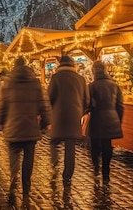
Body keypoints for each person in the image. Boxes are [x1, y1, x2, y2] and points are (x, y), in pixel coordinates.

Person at [0, 57, 50, 207]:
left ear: (13, 66)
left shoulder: (7, 83)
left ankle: (14, 177)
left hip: (12, 127)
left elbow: (1, 104)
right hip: (31, 127)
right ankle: (26, 187)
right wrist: (46, 122)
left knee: (13, 156)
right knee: (28, 158)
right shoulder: (35, 83)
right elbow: (43, 104)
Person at [47, 55, 89, 185]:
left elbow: (49, 97)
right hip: (74, 116)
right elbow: (86, 100)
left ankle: (54, 163)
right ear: (73, 65)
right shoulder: (81, 79)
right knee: (70, 147)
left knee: (54, 141)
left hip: (58, 116)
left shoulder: (56, 78)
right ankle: (67, 176)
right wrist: (80, 112)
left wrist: (51, 113)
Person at [87, 61, 124, 184]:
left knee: (94, 146)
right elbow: (120, 106)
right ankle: (106, 172)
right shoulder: (114, 85)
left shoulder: (92, 86)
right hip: (111, 118)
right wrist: (118, 120)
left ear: (94, 71)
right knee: (107, 146)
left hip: (97, 118)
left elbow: (87, 104)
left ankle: (96, 166)